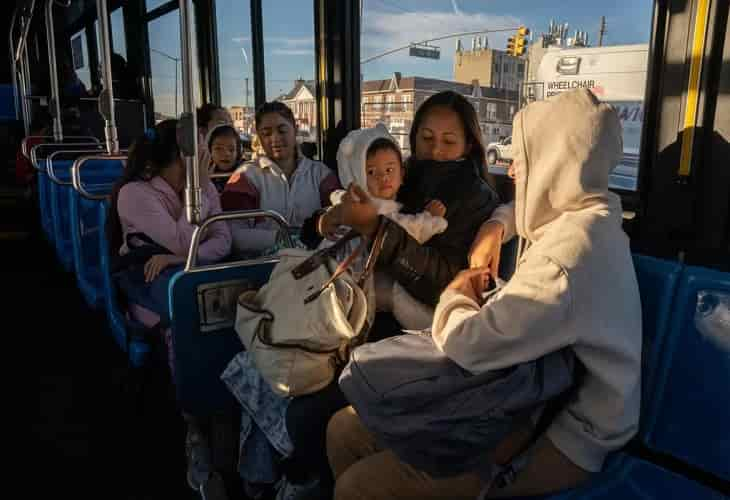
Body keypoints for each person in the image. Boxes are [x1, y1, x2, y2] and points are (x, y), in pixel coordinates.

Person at [327, 88, 642, 499]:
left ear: (554, 166)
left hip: (558, 431)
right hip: (522, 392)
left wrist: (457, 292)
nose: (513, 172)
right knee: (343, 430)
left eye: (524, 161)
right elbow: (523, 210)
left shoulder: (567, 260)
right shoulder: (593, 215)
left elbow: (468, 346)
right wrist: (497, 225)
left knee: (358, 487)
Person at [316, 124, 448, 330]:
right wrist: (431, 220)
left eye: (389, 169)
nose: (383, 177)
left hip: (349, 277)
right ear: (357, 177)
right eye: (371, 171)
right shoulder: (369, 207)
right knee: (395, 293)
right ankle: (438, 330)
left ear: (402, 173)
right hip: (353, 278)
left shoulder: (367, 204)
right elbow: (407, 231)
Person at [108, 119, 231, 325]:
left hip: (190, 272)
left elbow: (223, 241)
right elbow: (182, 243)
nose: (205, 163)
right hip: (150, 285)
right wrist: (198, 192)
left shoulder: (204, 186)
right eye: (198, 156)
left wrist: (180, 258)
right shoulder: (134, 194)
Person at [221, 101, 339, 254]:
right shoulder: (246, 176)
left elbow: (339, 215)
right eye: (266, 133)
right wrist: (284, 238)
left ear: (295, 129)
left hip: (314, 264)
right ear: (259, 137)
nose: (275, 139)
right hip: (263, 267)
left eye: (282, 131)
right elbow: (234, 234)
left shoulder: (320, 174)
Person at [205, 123, 242, 192]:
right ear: (209, 151)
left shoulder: (246, 174)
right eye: (218, 148)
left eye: (231, 149)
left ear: (238, 153)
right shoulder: (202, 176)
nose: (226, 154)